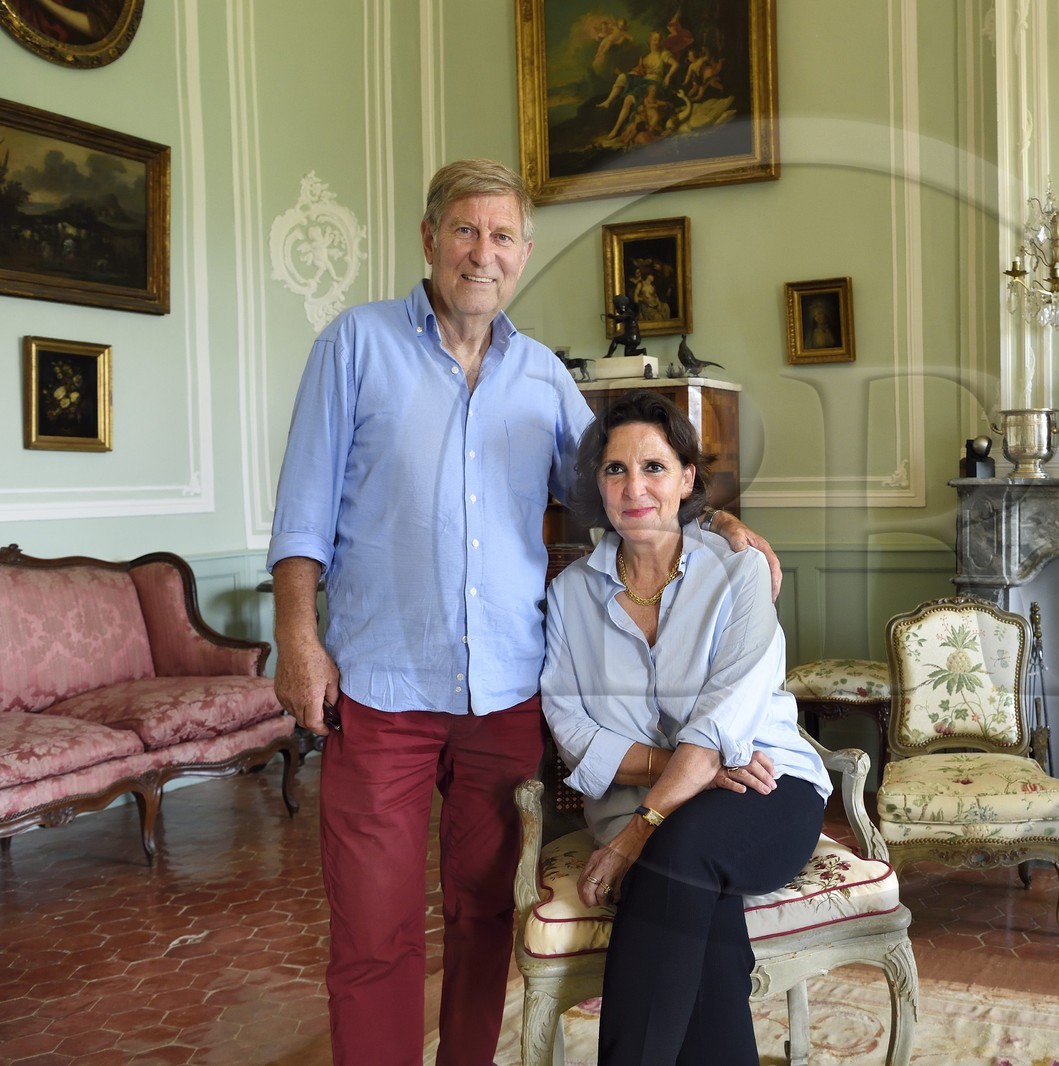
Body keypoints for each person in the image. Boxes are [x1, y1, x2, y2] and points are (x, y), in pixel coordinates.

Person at [267, 158, 777, 1066]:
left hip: (504, 690)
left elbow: (621, 490)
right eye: (465, 230)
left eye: (502, 237)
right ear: (429, 240)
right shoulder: (355, 346)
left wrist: (718, 519)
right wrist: (297, 635)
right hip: (380, 682)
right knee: (372, 926)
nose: (482, 253)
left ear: (525, 254)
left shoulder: (543, 377)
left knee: (478, 916)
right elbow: (303, 508)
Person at [540, 390, 829, 1065]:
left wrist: (635, 833)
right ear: (597, 485)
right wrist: (688, 764)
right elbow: (571, 730)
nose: (634, 487)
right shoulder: (570, 595)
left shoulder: (739, 569)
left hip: (762, 791)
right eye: (615, 470)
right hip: (688, 792)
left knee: (673, 853)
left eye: (654, 467)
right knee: (702, 917)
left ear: (688, 479)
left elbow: (726, 718)